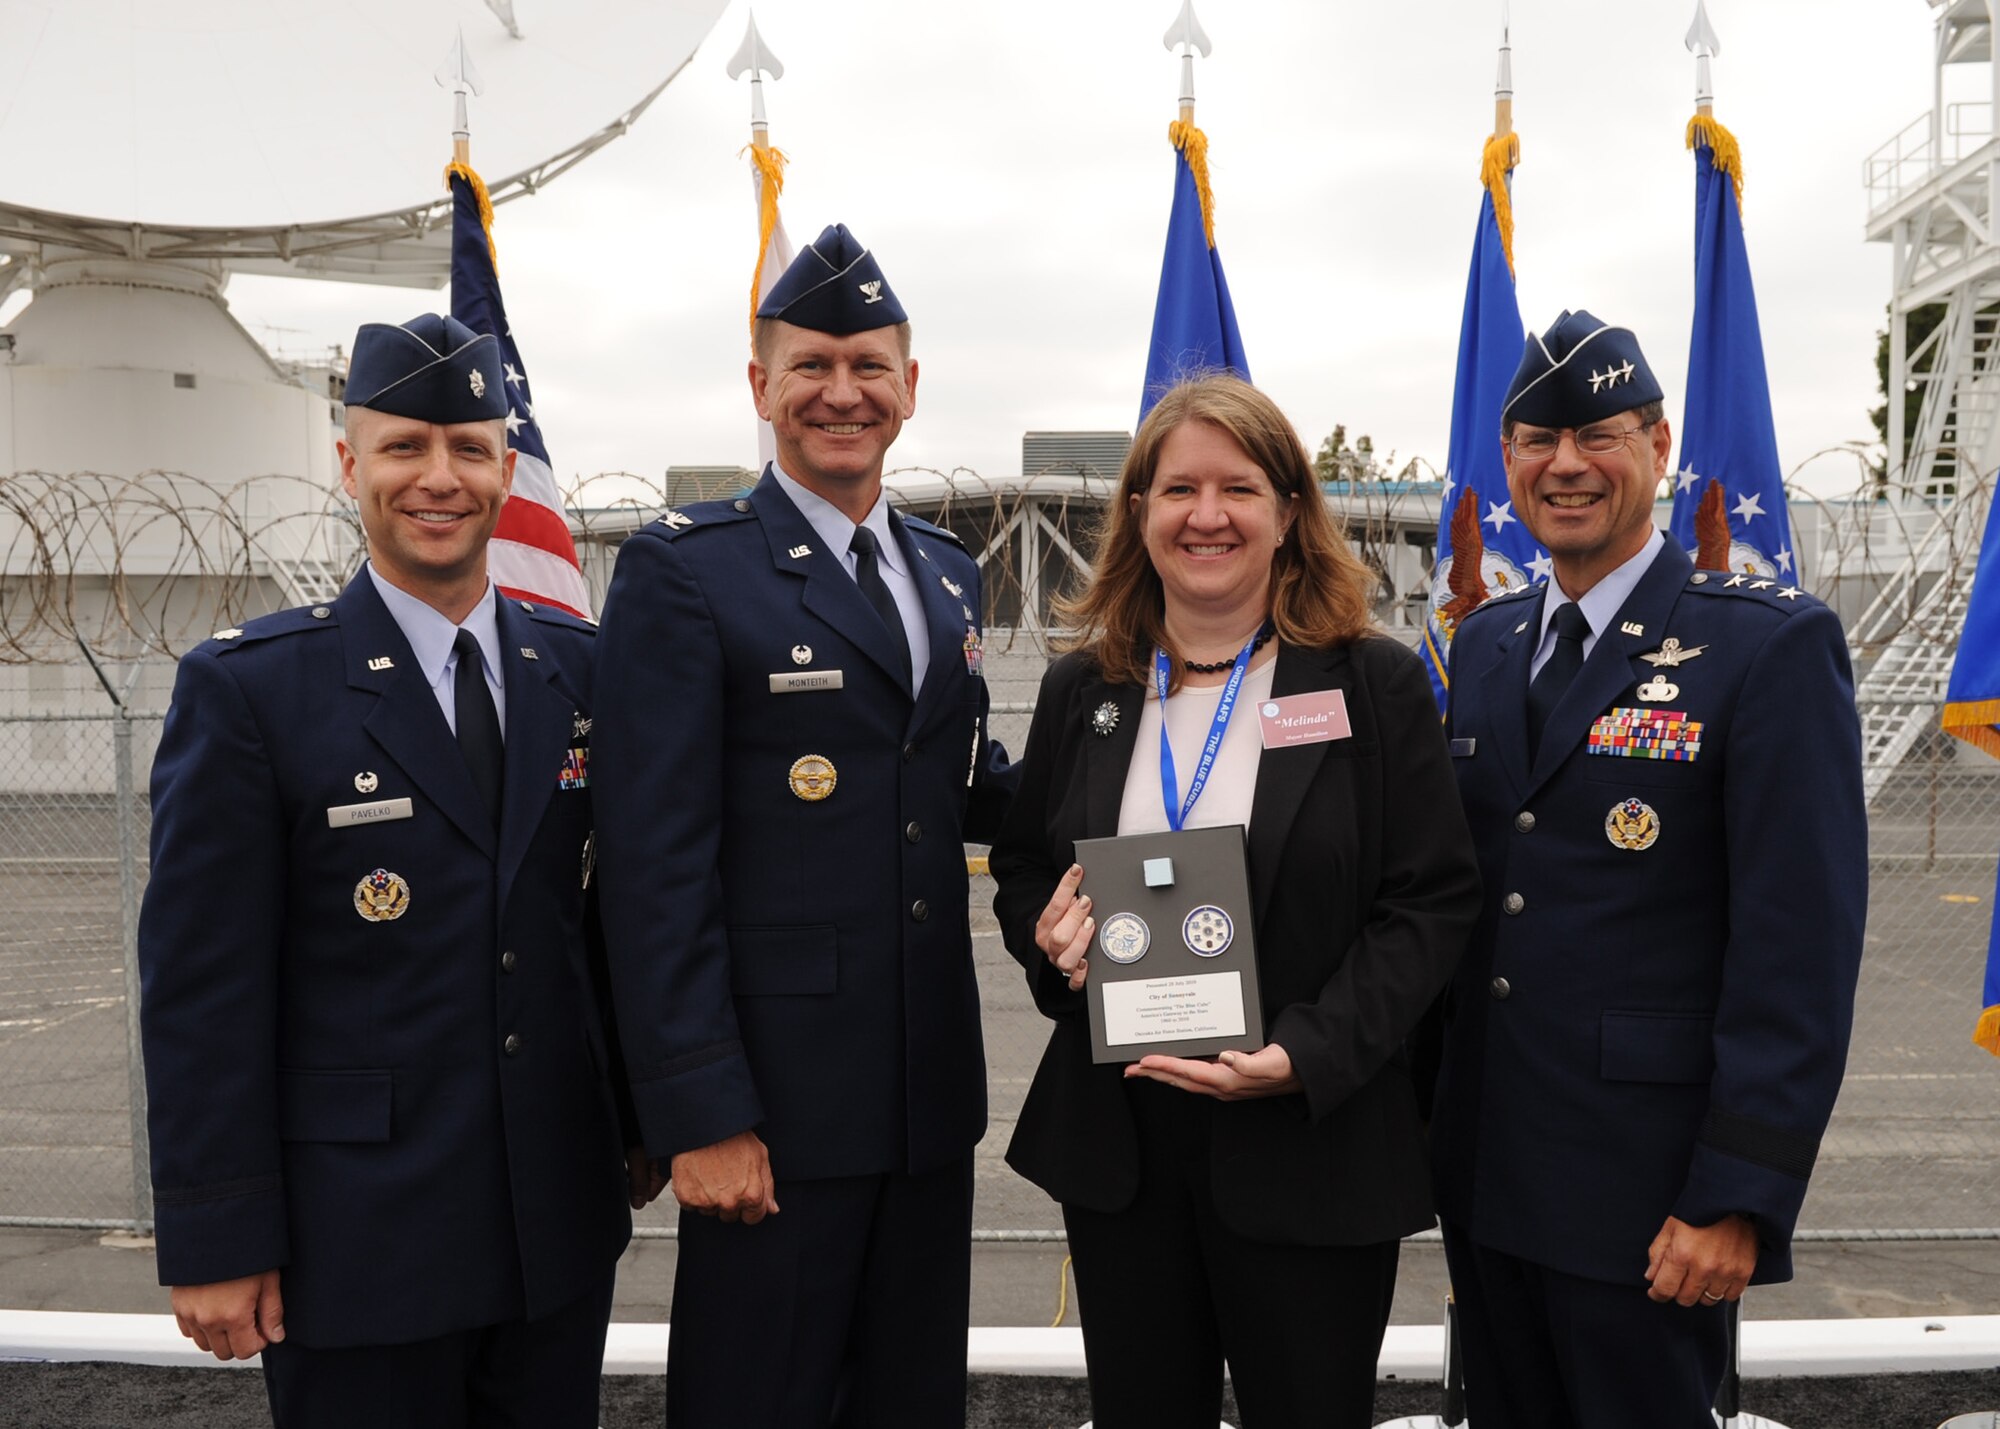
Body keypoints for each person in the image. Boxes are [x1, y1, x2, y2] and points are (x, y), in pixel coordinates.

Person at [138, 313, 659, 1428]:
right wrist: (216, 1232)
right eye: (404, 447)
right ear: (348, 464)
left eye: (468, 448)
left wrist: (640, 1115)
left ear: (505, 469)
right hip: (356, 1240)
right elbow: (202, 990)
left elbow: (615, 914)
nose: (439, 478)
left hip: (551, 1225)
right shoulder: (253, 693)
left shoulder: (580, 667)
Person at [989, 374, 1482, 1429]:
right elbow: (1028, 863)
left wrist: (1306, 1054)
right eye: (1176, 490)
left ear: (1288, 510)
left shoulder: (1368, 686)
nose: (1204, 515)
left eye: (1237, 488)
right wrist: (1051, 940)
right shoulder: (1090, 690)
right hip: (1122, 1151)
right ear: (1137, 513)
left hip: (1309, 1141)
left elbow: (1429, 902)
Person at [591, 222, 1017, 1426]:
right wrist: (700, 1113)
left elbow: (959, 776)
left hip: (924, 1100)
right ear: (760, 386)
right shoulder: (686, 572)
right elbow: (651, 863)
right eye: (812, 366)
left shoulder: (943, 570)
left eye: (869, 367)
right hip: (770, 1113)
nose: (842, 393)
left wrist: (1132, 802)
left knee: (910, 1402)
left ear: (910, 386)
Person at [1431, 309, 1867, 1428]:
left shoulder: (1763, 646)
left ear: (1658, 447)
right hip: (1488, 1182)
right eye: (1535, 439)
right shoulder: (1482, 642)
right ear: (1507, 460)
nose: (1564, 464)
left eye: (1600, 435)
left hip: (1649, 1205)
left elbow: (1796, 950)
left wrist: (1740, 1193)